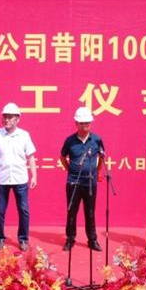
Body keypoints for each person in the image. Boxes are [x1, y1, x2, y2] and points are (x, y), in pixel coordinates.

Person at [0, 102, 37, 251]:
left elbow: (30, 157)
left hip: (20, 178)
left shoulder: (24, 135)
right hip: (1, 178)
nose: (7, 120)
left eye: (10, 117)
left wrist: (34, 176)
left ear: (17, 119)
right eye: (5, 117)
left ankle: (23, 239)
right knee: (0, 210)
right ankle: (0, 238)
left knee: (24, 209)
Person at [60, 107, 106, 252]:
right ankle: (70, 239)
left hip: (90, 183)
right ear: (76, 123)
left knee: (90, 212)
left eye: (87, 123)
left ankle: (92, 240)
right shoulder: (70, 141)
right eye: (82, 123)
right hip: (73, 182)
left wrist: (98, 171)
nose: (85, 125)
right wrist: (70, 170)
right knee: (72, 211)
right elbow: (62, 157)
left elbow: (102, 157)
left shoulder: (97, 139)